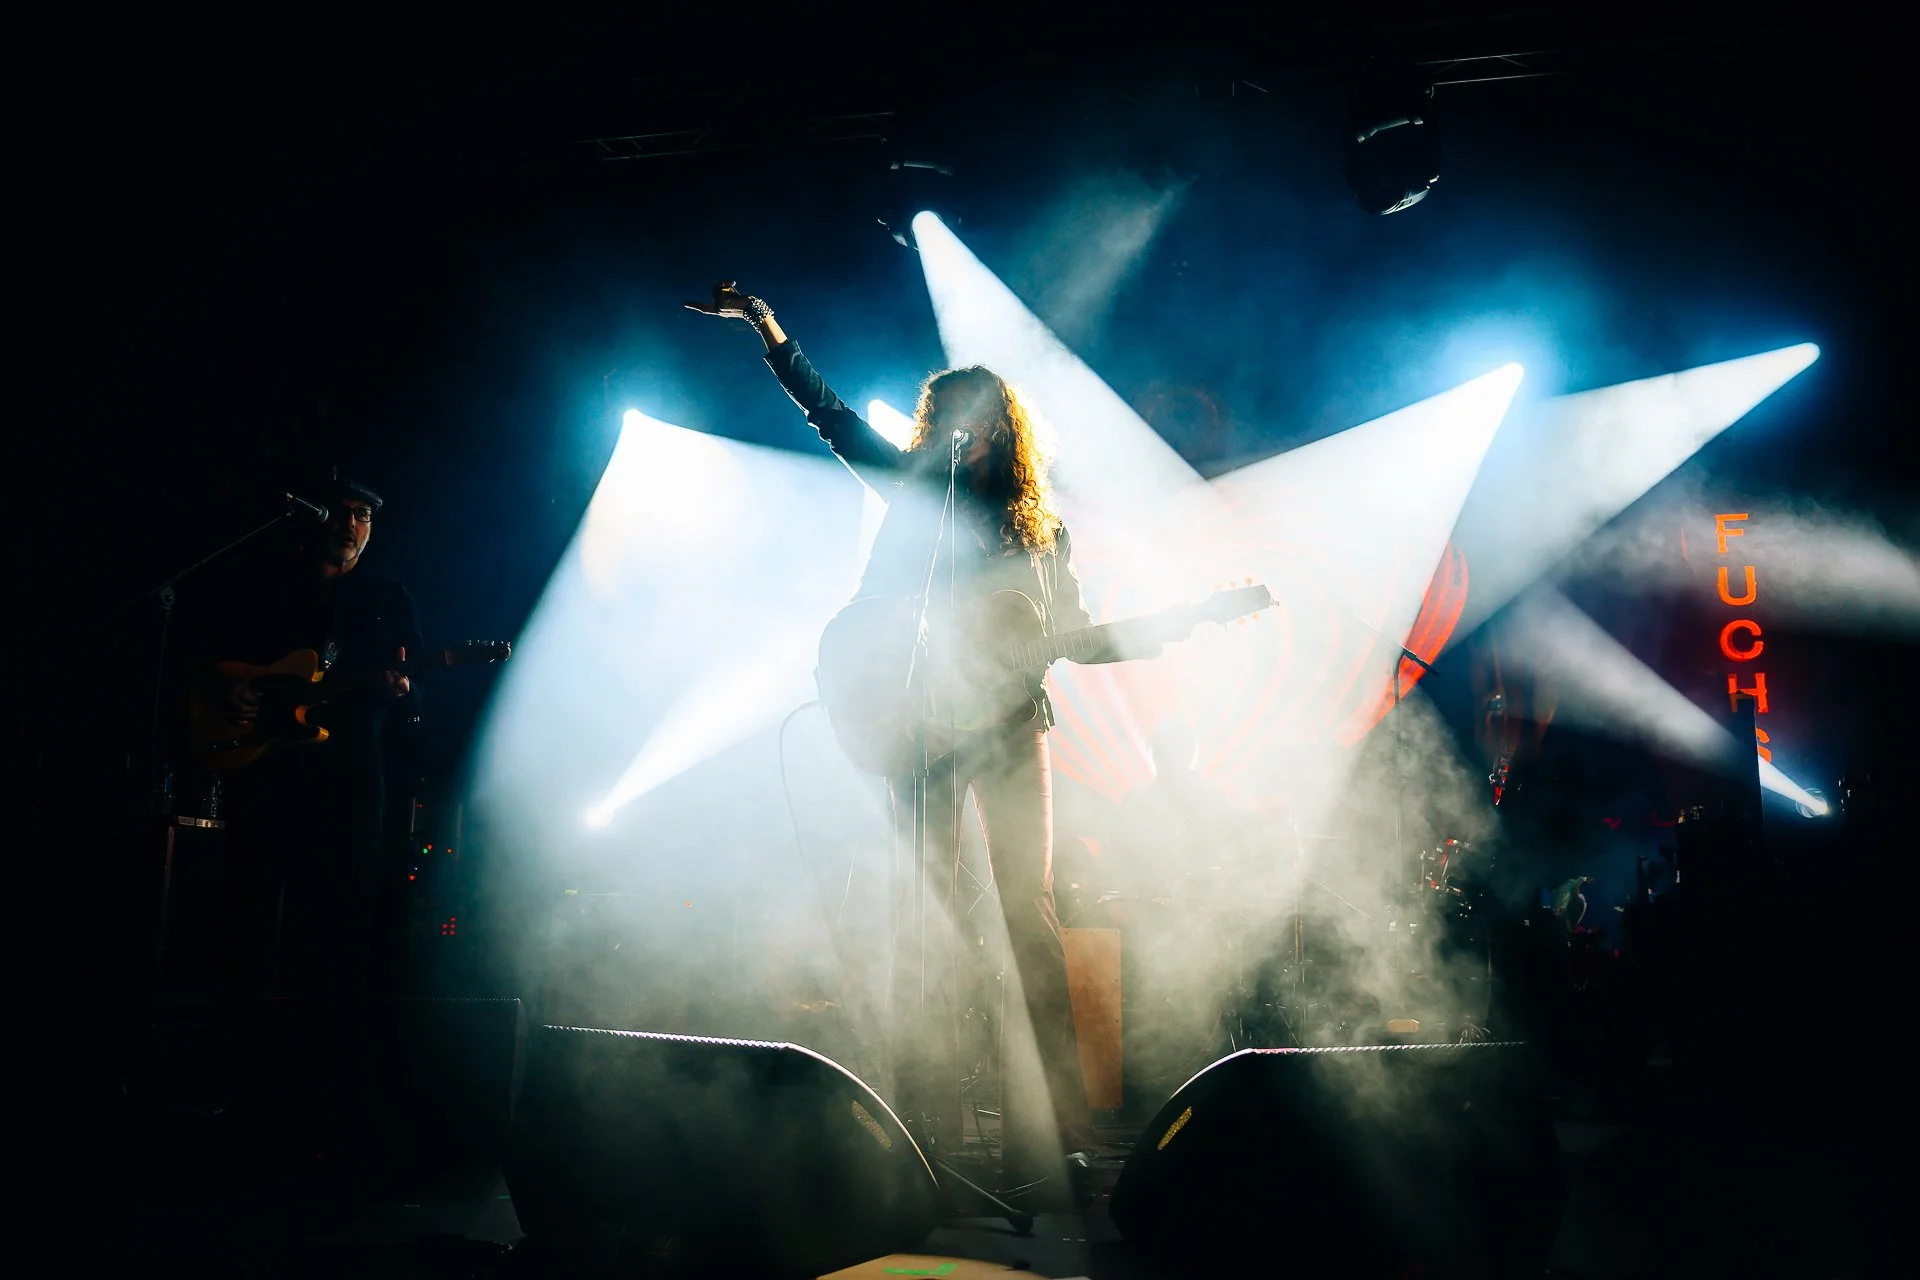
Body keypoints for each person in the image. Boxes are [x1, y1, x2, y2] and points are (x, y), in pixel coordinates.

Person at [688, 282, 1157, 1187]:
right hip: (921, 721)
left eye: (974, 416)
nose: (959, 429)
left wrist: (1176, 626)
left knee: (1028, 912)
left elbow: (1076, 634)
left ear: (1001, 426)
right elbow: (832, 418)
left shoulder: (1040, 529)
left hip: (1014, 722)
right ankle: (923, 1121)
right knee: (931, 918)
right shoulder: (914, 490)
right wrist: (770, 327)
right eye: (943, 415)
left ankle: (1049, 1126)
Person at [176, 471, 423, 1188]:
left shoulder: (388, 600)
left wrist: (405, 690)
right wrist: (234, 685)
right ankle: (232, 1086)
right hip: (266, 777)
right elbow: (211, 655)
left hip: (347, 783)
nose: (352, 525)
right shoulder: (268, 588)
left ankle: (326, 1101)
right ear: (318, 519)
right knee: (246, 922)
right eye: (343, 512)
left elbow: (412, 692)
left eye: (365, 517)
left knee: (339, 929)